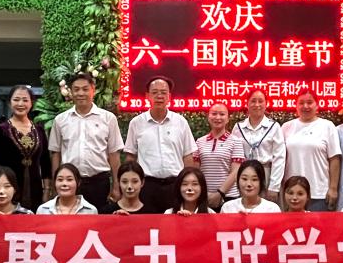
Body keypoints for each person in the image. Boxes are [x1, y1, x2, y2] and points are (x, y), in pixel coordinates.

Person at [48, 72, 123, 211]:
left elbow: (114, 154)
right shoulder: (60, 120)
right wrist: (54, 185)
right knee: (69, 220)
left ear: (93, 90)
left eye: (85, 89)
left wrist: (117, 186)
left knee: (98, 221)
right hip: (69, 183)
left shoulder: (108, 118)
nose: (80, 93)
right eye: (76, 89)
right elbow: (56, 154)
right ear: (70, 92)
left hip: (98, 182)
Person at [125, 76, 196, 213]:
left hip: (175, 185)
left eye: (163, 92)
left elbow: (187, 156)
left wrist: (188, 184)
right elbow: (130, 157)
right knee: (147, 223)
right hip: (146, 186)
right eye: (155, 92)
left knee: (175, 223)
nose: (159, 96)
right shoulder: (136, 123)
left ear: (169, 96)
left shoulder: (180, 122)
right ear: (147, 96)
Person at [282, 89, 342, 211]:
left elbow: (334, 159)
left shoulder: (327, 126)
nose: (305, 106)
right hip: (292, 193)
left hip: (319, 192)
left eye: (309, 102)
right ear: (296, 105)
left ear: (317, 105)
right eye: (301, 103)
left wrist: (333, 188)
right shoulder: (286, 127)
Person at [0, 85, 52, 210]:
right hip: (8, 188)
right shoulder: (1, 130)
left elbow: (45, 163)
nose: (20, 104)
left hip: (36, 188)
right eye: (16, 100)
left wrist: (47, 190)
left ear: (31, 103)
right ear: (9, 103)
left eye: (25, 100)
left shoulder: (39, 130)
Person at [234, 89, 286, 201]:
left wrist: (274, 186)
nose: (257, 104)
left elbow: (279, 158)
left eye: (260, 101)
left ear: (266, 104)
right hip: (245, 175)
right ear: (247, 103)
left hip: (267, 174)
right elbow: (234, 156)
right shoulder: (238, 127)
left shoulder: (274, 127)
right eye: (253, 101)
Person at [194, 102, 244, 210]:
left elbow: (236, 172)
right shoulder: (199, 142)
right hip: (204, 196)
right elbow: (196, 171)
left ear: (228, 118)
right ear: (208, 117)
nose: (218, 117)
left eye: (222, 114)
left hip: (229, 196)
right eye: (214, 114)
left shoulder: (236, 141)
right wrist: (203, 193)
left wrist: (220, 193)